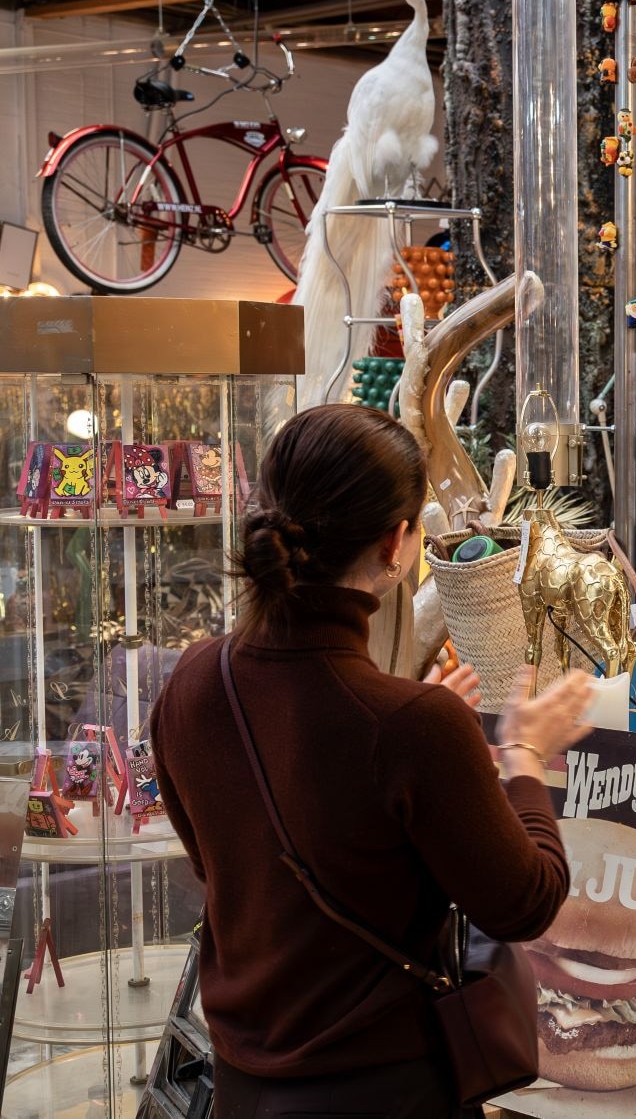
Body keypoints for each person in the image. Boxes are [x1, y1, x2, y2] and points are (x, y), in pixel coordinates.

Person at [151, 404, 598, 1117]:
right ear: (397, 544)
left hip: (239, 1087)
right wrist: (523, 756)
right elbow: (527, 902)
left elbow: (229, 866)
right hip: (382, 1091)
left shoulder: (194, 680)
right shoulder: (411, 725)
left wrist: (418, 736)